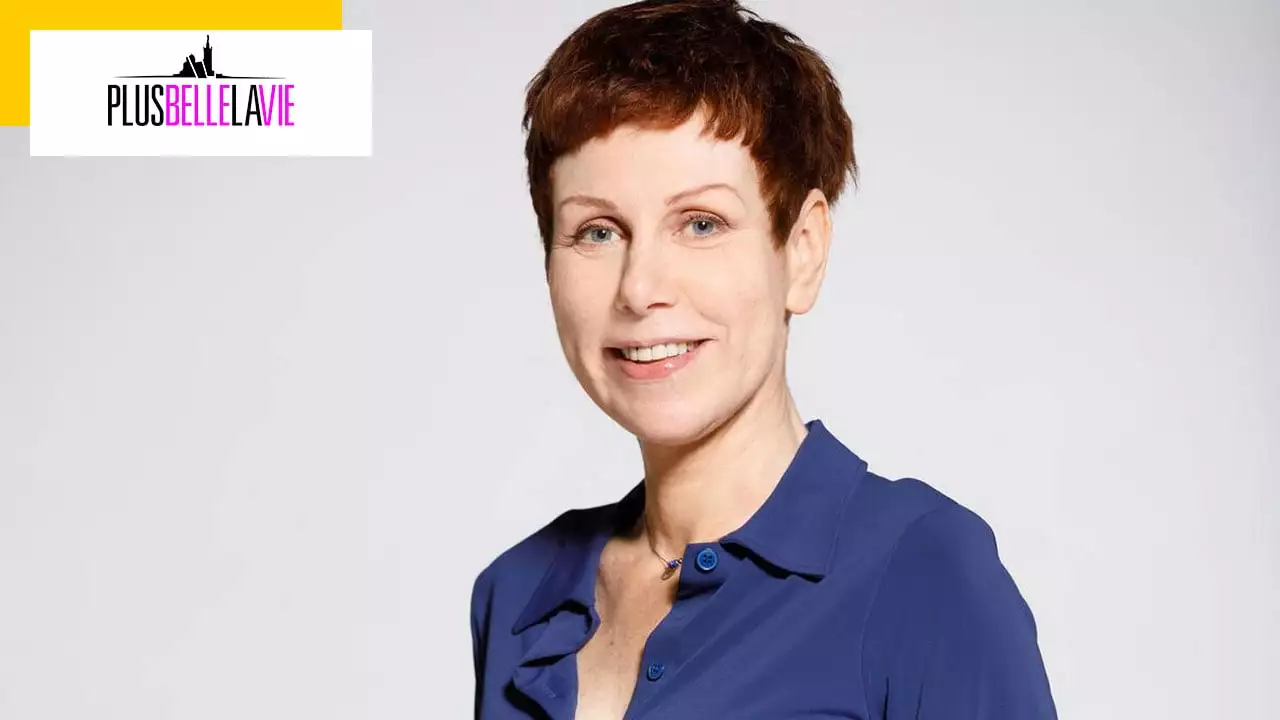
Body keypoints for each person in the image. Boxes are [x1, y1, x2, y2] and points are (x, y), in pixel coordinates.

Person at [470, 1, 1058, 717]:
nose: (640, 288)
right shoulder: (517, 594)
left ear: (802, 251)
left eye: (701, 223)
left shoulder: (921, 571)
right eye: (597, 231)